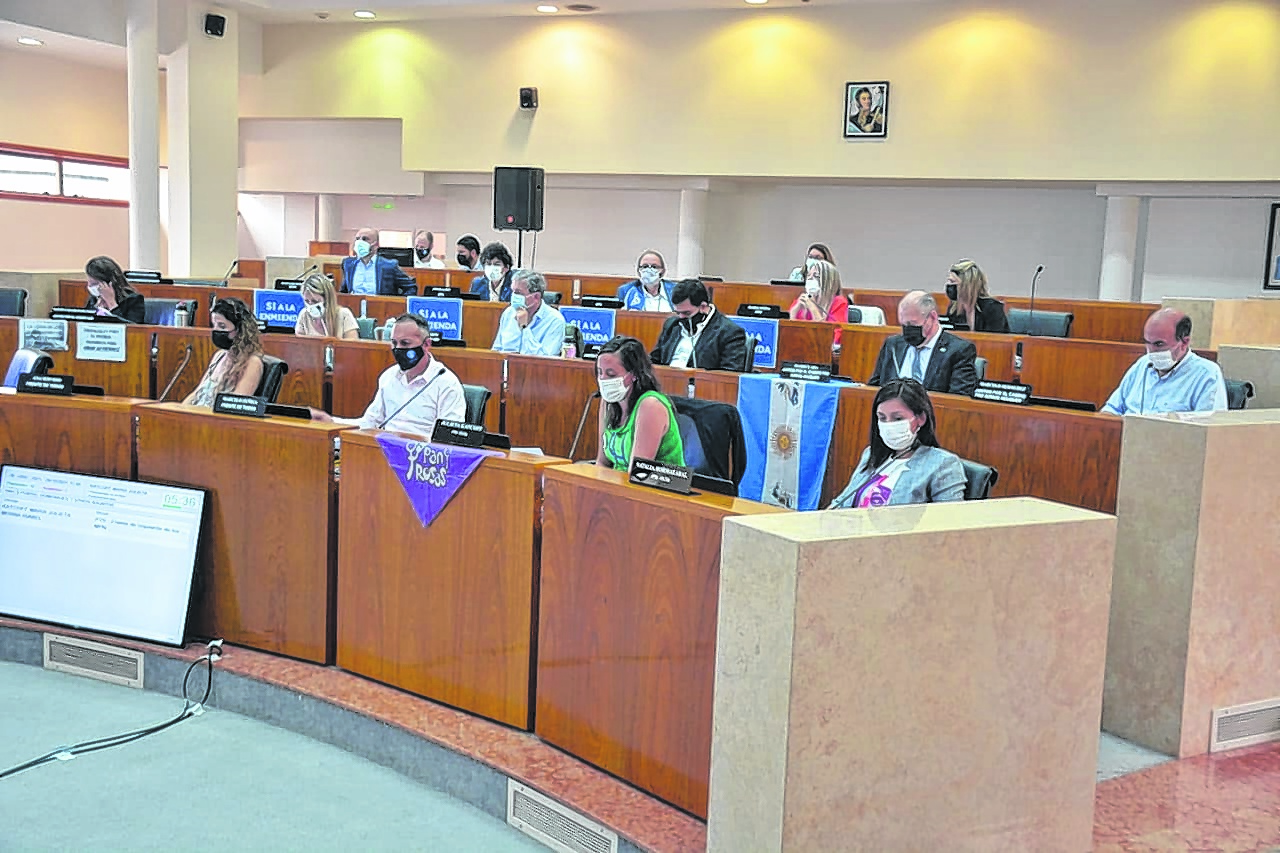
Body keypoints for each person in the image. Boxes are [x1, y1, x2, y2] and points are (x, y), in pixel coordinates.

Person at [310, 313, 465, 435]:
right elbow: (369, 423)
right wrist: (331, 421)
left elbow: (448, 440)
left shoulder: (447, 384)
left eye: (405, 343)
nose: (397, 349)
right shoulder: (389, 376)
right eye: (394, 343)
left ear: (426, 345)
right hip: (386, 454)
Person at [829, 379, 965, 508]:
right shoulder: (871, 454)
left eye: (898, 418)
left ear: (921, 418)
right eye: (882, 418)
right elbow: (841, 502)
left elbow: (948, 523)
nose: (889, 425)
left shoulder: (943, 464)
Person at [1101, 309, 1227, 415]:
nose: (1151, 351)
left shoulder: (1206, 374)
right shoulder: (1142, 364)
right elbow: (1112, 408)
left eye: (1159, 344)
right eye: (1147, 342)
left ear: (1184, 342)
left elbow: (1206, 432)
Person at [595, 336, 685, 471]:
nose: (603, 380)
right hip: (619, 483)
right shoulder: (608, 403)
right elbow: (602, 463)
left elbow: (638, 473)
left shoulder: (651, 406)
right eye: (600, 372)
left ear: (635, 374)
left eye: (611, 374)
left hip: (658, 488)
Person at [869, 290, 979, 396]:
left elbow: (957, 400)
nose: (907, 330)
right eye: (903, 324)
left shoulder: (959, 350)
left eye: (912, 324)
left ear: (932, 317)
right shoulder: (893, 345)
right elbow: (874, 388)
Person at [649, 279, 748, 372]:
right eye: (678, 312)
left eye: (686, 313)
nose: (681, 317)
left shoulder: (729, 332)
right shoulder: (672, 325)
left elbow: (728, 375)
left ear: (703, 307)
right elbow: (654, 361)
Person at [183, 297, 265, 407]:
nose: (216, 330)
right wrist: (181, 410)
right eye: (214, 325)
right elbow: (198, 393)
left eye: (222, 326)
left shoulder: (252, 363)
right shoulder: (219, 356)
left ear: (240, 329)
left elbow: (235, 405)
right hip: (198, 415)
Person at [491, 270, 566, 356]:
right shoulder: (509, 313)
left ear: (536, 297)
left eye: (518, 292)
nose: (513, 296)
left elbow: (545, 359)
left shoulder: (555, 321)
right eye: (513, 291)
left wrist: (524, 328)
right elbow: (496, 350)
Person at [340, 227, 417, 296]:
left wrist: (397, 305)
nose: (360, 242)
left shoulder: (389, 266)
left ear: (376, 244)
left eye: (365, 239)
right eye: (357, 239)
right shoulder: (348, 264)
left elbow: (411, 287)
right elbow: (344, 291)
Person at [789, 259, 849, 345]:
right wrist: (793, 313)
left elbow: (833, 340)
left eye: (816, 276)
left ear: (828, 281)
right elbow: (791, 336)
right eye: (809, 276)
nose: (810, 279)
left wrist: (813, 309)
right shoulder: (799, 302)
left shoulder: (839, 303)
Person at [945, 259, 1009, 333]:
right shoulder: (953, 309)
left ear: (967, 285)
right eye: (949, 281)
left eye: (953, 281)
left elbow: (995, 340)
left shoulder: (993, 309)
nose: (949, 285)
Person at [295, 272, 359, 340]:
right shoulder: (304, 315)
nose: (310, 305)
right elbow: (299, 345)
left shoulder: (344, 315)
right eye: (307, 301)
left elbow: (352, 346)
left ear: (327, 299)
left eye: (315, 301)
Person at [83, 256, 144, 323]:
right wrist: (96, 309)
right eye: (90, 283)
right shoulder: (93, 299)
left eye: (95, 284)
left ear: (110, 283)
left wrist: (111, 304)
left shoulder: (133, 300)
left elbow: (133, 329)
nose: (90, 287)